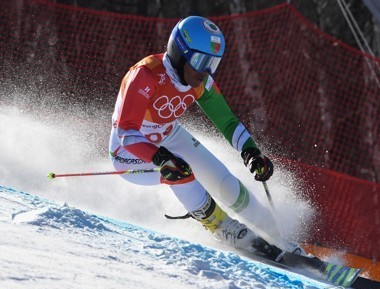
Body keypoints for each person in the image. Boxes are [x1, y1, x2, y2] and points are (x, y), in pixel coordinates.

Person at [109, 16, 306, 258]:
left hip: (170, 136)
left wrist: (251, 152)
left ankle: (276, 236)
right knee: (180, 171)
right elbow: (127, 133)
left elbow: (227, 121)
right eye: (200, 60)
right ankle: (224, 227)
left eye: (213, 63)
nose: (205, 71)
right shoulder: (146, 75)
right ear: (180, 53)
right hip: (130, 151)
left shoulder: (201, 83)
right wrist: (159, 157)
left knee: (225, 182)